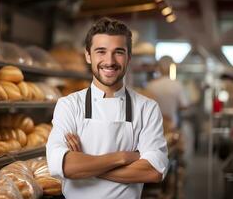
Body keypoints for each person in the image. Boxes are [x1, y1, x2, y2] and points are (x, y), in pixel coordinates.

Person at [46, 17, 169, 199]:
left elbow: (153, 171)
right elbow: (64, 166)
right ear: (88, 55)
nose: (109, 61)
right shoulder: (69, 105)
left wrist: (86, 165)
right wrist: (123, 157)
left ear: (129, 56)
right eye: (101, 51)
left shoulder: (147, 108)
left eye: (118, 52)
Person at [147, 56, 189, 129]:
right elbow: (184, 106)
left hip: (153, 125)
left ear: (159, 68)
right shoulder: (177, 85)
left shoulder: (150, 86)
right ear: (171, 67)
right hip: (171, 125)